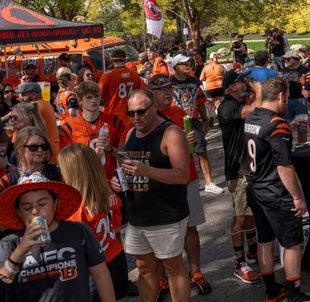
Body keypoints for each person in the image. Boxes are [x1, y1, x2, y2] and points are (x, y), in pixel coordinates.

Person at [0, 175, 116, 301]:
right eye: (27, 208)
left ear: (55, 204)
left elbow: (100, 274)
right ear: (19, 213)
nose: (35, 211)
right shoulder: (10, 243)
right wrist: (21, 249)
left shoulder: (78, 231)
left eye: (42, 204)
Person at [246, 76, 310, 302]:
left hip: (255, 187)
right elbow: (284, 166)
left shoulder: (252, 116)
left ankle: (271, 289)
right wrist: (297, 197)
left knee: (264, 239)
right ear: (280, 95)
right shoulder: (277, 124)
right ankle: (294, 293)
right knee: (292, 242)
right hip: (274, 191)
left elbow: (263, 143)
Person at [117, 89, 191, 302]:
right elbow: (125, 166)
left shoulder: (171, 133)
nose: (135, 117)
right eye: (131, 113)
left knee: (173, 268)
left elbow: (182, 175)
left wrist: (147, 171)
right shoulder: (131, 134)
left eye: (140, 112)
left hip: (166, 215)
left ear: (154, 108)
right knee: (145, 268)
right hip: (138, 216)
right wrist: (118, 179)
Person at [146, 74, 213, 295]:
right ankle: (163, 277)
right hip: (160, 181)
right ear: (151, 93)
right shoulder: (145, 117)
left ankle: (195, 272)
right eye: (161, 89)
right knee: (160, 232)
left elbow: (189, 148)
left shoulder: (178, 113)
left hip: (186, 178)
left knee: (191, 227)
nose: (167, 92)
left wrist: (189, 141)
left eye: (169, 88)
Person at [59, 143, 130, 300]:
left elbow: (76, 248)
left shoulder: (76, 207)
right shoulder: (109, 194)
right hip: (117, 258)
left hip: (95, 269)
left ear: (70, 172)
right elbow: (117, 229)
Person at [216, 69, 261, 284]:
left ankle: (253, 250)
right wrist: (258, 87)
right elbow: (253, 109)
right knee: (240, 216)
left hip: (249, 167)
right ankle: (239, 262)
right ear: (232, 87)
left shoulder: (239, 101)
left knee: (250, 212)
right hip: (238, 171)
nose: (245, 83)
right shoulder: (227, 107)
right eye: (242, 81)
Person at [168, 55, 221, 194]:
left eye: (188, 62)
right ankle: (187, 180)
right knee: (180, 153)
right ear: (175, 67)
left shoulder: (194, 81)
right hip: (175, 121)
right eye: (183, 63)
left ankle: (209, 182)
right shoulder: (169, 82)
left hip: (193, 120)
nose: (187, 65)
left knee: (201, 150)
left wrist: (205, 120)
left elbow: (201, 101)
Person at [58, 81, 123, 181]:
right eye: (89, 97)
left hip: (110, 182)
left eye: (96, 96)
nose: (94, 100)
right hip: (85, 181)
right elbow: (66, 164)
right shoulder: (69, 126)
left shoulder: (114, 121)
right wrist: (90, 158)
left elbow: (124, 154)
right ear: (80, 101)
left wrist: (110, 149)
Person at [0, 126, 61, 196]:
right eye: (33, 147)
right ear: (20, 150)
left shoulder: (56, 172)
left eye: (44, 146)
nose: (40, 150)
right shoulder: (7, 181)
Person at [14, 82, 60, 163]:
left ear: (34, 95)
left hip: (45, 150)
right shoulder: (45, 103)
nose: (20, 97)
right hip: (51, 147)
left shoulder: (35, 106)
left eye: (23, 94)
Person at [98, 48, 143, 128]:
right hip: (131, 116)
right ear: (124, 59)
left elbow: (99, 96)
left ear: (112, 60)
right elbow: (143, 93)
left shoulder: (107, 75)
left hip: (112, 117)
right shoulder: (134, 75)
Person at [199, 52, 225, 120]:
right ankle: (220, 118)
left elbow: (201, 78)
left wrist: (207, 78)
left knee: (211, 105)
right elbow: (225, 76)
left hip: (210, 87)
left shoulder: (206, 68)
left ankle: (211, 116)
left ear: (210, 59)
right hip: (220, 86)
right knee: (220, 103)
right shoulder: (221, 67)